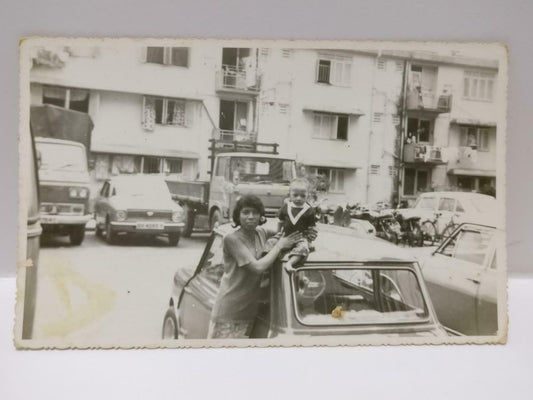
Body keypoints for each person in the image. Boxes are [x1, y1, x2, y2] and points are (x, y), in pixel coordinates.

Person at [207, 195, 305, 339]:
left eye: (255, 213)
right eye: (246, 212)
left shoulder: (261, 233)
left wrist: (289, 211)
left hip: (249, 310)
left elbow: (284, 233)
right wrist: (279, 246)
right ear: (238, 215)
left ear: (261, 215)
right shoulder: (231, 239)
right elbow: (257, 268)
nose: (251, 217)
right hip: (229, 311)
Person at [266, 178, 317, 272]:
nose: (299, 198)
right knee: (270, 243)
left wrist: (309, 242)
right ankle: (269, 266)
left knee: (303, 249)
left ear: (307, 196)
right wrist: (278, 234)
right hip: (284, 236)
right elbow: (280, 222)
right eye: (295, 195)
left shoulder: (309, 210)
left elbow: (311, 228)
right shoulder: (286, 207)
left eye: (303, 196)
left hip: (300, 237)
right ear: (289, 195)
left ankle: (290, 263)